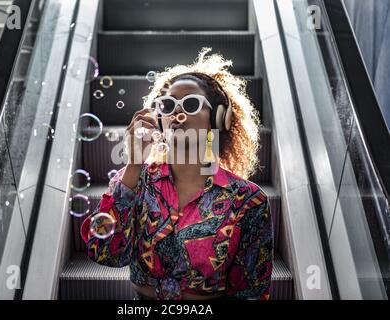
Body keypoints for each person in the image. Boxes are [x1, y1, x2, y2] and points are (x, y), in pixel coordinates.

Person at [81, 48, 273, 300]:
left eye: (191, 104)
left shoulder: (248, 200)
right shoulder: (134, 181)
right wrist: (134, 165)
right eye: (168, 105)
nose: (177, 113)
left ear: (218, 118)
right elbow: (105, 253)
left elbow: (253, 291)